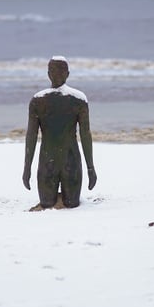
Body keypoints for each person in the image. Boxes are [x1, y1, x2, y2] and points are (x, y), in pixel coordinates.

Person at [22, 56, 97, 208]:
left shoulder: (38, 100)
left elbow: (31, 135)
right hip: (68, 161)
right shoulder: (78, 100)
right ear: (68, 74)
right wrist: (90, 167)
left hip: (51, 162)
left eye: (58, 72)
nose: (56, 75)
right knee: (61, 203)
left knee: (56, 203)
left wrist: (27, 167)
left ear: (48, 74)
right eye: (55, 72)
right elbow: (85, 135)